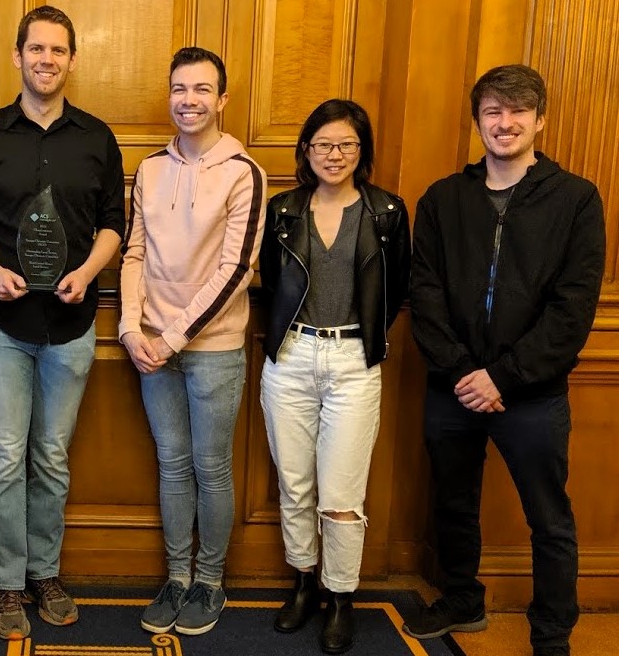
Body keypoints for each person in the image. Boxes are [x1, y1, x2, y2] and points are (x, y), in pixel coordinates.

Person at [404, 65, 605, 656]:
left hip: (532, 394)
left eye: (518, 111)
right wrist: (466, 373)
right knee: (453, 502)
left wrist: (503, 376)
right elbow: (426, 293)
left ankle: (551, 636)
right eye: (493, 111)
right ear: (478, 121)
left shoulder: (576, 200)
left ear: (540, 120)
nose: (505, 122)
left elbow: (574, 307)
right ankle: (463, 600)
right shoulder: (443, 199)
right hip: (453, 386)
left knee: (550, 520)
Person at [0, 5, 126, 640]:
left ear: (71, 59)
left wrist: (89, 270)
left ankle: (44, 573)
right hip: (0, 323)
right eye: (36, 49)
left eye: (57, 50)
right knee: (2, 458)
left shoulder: (97, 138)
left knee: (50, 458)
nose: (46, 59)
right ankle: (5, 584)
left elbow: (114, 221)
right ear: (17, 56)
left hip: (72, 328)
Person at [119, 47, 267, 636]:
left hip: (212, 352)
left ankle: (211, 581)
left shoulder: (244, 173)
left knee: (212, 469)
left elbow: (235, 271)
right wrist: (131, 329)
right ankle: (178, 577)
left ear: (222, 100)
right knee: (173, 467)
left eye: (202, 90)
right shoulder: (150, 169)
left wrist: (174, 337)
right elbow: (134, 252)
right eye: (180, 89)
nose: (189, 100)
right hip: (151, 350)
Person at [259, 99, 410, 654]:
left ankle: (341, 595)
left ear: (362, 151)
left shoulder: (388, 213)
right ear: (306, 150)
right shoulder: (283, 211)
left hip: (353, 362)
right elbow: (270, 289)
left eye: (346, 144)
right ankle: (303, 584)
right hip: (291, 358)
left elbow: (396, 291)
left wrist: (361, 341)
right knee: (295, 484)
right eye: (322, 144)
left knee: (342, 492)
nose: (334, 154)